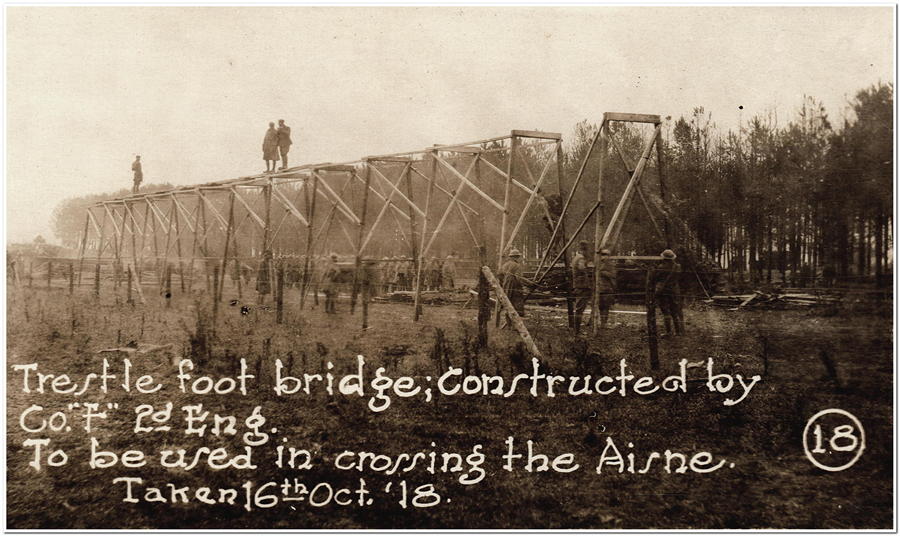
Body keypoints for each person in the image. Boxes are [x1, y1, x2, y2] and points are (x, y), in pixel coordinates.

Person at [648, 249, 685, 336]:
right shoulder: (678, 267)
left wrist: (653, 270)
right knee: (674, 311)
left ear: (664, 258)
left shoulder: (661, 267)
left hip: (664, 291)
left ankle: (668, 332)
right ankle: (678, 331)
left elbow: (653, 279)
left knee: (665, 312)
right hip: (675, 291)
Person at [571, 240, 592, 334]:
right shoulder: (580, 258)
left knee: (580, 308)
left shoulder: (578, 257)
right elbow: (582, 268)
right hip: (581, 286)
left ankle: (577, 330)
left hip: (582, 286)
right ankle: (577, 331)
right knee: (579, 309)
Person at [500, 249, 526, 318]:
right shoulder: (517, 265)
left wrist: (504, 282)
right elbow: (518, 278)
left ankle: (509, 321)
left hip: (506, 285)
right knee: (517, 302)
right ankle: (516, 322)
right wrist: (522, 285)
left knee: (508, 301)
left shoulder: (505, 265)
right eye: (517, 257)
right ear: (515, 257)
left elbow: (500, 274)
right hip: (515, 286)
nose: (518, 258)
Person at [595, 248, 617, 330]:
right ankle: (602, 323)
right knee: (601, 307)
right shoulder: (599, 263)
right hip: (599, 289)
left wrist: (602, 272)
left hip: (607, 288)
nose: (603, 257)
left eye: (605, 255)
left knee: (606, 307)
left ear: (608, 256)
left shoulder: (610, 264)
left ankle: (604, 323)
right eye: (602, 255)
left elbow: (613, 275)